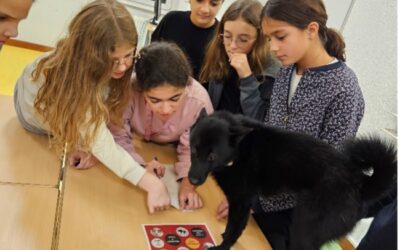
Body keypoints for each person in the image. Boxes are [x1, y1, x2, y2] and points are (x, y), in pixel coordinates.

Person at [13, 0, 170, 214]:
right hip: (29, 111)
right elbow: (97, 135)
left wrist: (138, 164)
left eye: (128, 56)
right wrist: (149, 182)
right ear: (89, 54)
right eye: (114, 60)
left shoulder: (104, 72)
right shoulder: (69, 81)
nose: (124, 66)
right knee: (94, 138)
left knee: (98, 134)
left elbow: (106, 125)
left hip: (70, 108)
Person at [242, 0, 365, 249]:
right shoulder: (287, 71)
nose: (273, 48)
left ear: (311, 30)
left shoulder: (343, 89)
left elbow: (328, 171)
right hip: (263, 201)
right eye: (268, 38)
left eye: (280, 36)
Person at [109, 41, 213, 210]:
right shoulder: (128, 90)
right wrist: (139, 166)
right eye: (155, 100)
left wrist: (188, 184)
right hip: (139, 147)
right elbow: (118, 136)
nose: (166, 109)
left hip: (171, 153)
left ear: (186, 86)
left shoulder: (199, 102)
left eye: (175, 98)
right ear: (141, 90)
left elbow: (195, 150)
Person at [199, 0, 280, 121]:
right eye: (227, 36)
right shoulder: (220, 53)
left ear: (259, 39)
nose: (232, 46)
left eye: (243, 39)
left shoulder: (272, 68)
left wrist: (247, 77)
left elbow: (260, 119)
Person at [151, 0, 224, 79]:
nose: (205, 10)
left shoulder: (223, 36)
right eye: (199, 1)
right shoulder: (171, 20)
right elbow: (152, 58)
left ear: (221, 4)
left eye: (213, 4)